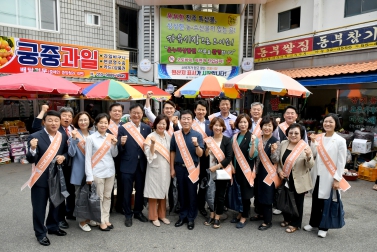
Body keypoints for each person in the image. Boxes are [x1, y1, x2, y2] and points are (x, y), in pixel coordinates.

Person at [25, 110, 68, 246]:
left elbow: (66, 152)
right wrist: (32, 148)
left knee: (56, 203)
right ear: (44, 122)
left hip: (57, 176)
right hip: (40, 178)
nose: (53, 123)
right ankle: (40, 233)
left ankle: (53, 227)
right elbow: (31, 158)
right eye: (50, 120)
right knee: (39, 207)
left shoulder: (63, 136)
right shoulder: (35, 136)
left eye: (56, 120)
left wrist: (64, 157)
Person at [304, 113, 348, 238]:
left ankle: (324, 227)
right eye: (325, 121)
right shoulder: (318, 137)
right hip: (316, 174)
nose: (327, 124)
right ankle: (313, 223)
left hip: (329, 176)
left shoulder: (340, 140)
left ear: (336, 124)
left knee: (326, 202)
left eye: (331, 122)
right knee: (316, 200)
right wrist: (312, 143)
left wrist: (337, 178)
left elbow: (341, 161)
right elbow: (313, 154)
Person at [32, 105, 76, 228]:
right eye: (64, 116)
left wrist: (65, 156)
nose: (67, 118)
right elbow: (35, 128)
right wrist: (42, 111)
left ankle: (60, 218)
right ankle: (55, 222)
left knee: (64, 195)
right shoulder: (51, 132)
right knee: (49, 200)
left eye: (69, 116)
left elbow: (69, 150)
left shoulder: (72, 129)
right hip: (48, 172)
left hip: (66, 169)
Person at [117, 104, 152, 227]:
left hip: (141, 165)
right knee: (126, 191)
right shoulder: (122, 128)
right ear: (129, 114)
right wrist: (121, 144)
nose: (136, 115)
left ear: (142, 114)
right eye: (134, 113)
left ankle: (138, 211)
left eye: (139, 113)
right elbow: (118, 150)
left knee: (140, 190)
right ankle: (128, 214)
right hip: (127, 164)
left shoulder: (147, 128)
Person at [277, 123, 314, 233]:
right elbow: (279, 162)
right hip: (286, 177)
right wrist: (279, 171)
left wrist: (308, 156)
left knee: (298, 202)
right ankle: (287, 219)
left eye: (296, 133)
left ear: (301, 134)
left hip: (299, 179)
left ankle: (296, 224)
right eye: (291, 133)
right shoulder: (283, 143)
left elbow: (310, 165)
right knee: (286, 199)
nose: (293, 135)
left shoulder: (305, 146)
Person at [170, 110, 204, 230]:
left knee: (192, 194)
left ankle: (191, 218)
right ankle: (182, 216)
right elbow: (172, 151)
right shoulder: (176, 135)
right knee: (182, 193)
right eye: (183, 118)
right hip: (179, 168)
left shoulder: (198, 135)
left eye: (188, 118)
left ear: (192, 121)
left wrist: (196, 145)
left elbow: (200, 154)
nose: (185, 121)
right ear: (180, 120)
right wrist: (172, 168)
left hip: (192, 168)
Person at [85, 113, 118, 231]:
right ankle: (100, 221)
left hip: (110, 171)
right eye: (101, 122)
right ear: (96, 124)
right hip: (97, 172)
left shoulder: (111, 137)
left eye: (106, 123)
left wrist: (114, 145)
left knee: (108, 196)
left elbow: (114, 154)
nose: (103, 125)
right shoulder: (90, 138)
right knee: (99, 198)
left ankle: (106, 218)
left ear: (108, 124)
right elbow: (88, 158)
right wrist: (89, 176)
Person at [272, 105, 308, 215]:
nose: (290, 115)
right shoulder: (278, 127)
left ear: (296, 115)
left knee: (294, 188)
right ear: (284, 115)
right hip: (282, 159)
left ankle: (293, 213)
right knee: (281, 186)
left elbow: (305, 144)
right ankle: (280, 205)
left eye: (292, 113)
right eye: (288, 113)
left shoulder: (301, 128)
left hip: (297, 161)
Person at [250, 116, 280, 231]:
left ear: (273, 128)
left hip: (269, 174)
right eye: (265, 125)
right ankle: (261, 214)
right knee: (258, 194)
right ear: (261, 127)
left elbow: (276, 160)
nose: (267, 128)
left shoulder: (276, 141)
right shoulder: (257, 139)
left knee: (267, 196)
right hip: (258, 172)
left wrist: (273, 152)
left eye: (269, 125)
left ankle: (268, 221)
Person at [203, 117, 233, 229]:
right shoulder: (208, 140)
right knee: (210, 194)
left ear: (223, 127)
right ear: (212, 127)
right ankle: (211, 214)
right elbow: (205, 157)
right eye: (215, 125)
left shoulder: (226, 140)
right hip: (210, 171)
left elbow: (229, 157)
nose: (218, 127)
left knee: (220, 196)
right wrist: (207, 150)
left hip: (221, 171)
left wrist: (217, 167)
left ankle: (217, 217)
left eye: (220, 126)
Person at [68, 111, 94, 231]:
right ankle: (82, 221)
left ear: (89, 121)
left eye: (85, 119)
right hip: (79, 170)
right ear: (77, 122)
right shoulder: (74, 134)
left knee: (91, 195)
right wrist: (73, 139)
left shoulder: (94, 134)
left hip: (93, 170)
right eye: (80, 120)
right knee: (80, 197)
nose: (83, 122)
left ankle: (89, 218)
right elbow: (71, 153)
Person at [143, 115, 172, 227]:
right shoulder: (150, 136)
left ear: (166, 125)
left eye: (164, 124)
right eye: (159, 123)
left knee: (164, 192)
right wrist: (153, 145)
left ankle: (162, 215)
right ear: (155, 124)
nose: (161, 126)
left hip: (166, 168)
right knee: (154, 193)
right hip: (155, 168)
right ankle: (153, 216)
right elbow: (149, 155)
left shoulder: (168, 136)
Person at [231, 113, 258, 228]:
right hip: (236, 170)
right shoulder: (235, 136)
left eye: (245, 122)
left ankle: (244, 216)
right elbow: (232, 153)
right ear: (237, 123)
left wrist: (252, 143)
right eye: (241, 122)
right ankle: (240, 212)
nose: (242, 124)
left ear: (249, 124)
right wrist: (232, 165)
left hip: (246, 170)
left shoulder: (252, 137)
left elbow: (252, 155)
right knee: (239, 192)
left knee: (246, 194)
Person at [192, 100, 213, 217]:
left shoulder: (210, 124)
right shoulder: (189, 123)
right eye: (198, 109)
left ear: (206, 111)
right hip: (191, 157)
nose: (201, 111)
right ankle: (191, 204)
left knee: (203, 182)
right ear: (195, 110)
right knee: (192, 182)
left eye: (203, 109)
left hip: (205, 157)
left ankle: (201, 205)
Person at [107, 103, 125, 214]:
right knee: (109, 182)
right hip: (108, 158)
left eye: (119, 111)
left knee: (122, 183)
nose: (117, 113)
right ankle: (108, 207)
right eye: (114, 111)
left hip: (122, 158)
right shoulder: (105, 124)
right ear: (110, 112)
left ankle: (120, 206)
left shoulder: (125, 125)